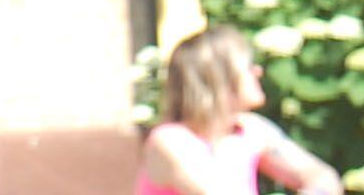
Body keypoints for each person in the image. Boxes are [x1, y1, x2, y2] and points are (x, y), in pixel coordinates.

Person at [136, 25, 339, 195]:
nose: (258, 72)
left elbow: (322, 176)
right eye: (248, 67)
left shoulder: (249, 129)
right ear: (219, 80)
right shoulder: (172, 141)